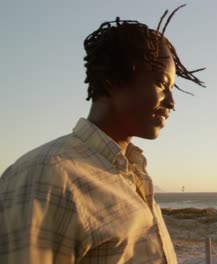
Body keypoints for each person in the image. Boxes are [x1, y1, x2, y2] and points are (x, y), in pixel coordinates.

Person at [0, 5, 204, 263]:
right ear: (112, 79)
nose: (172, 102)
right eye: (162, 84)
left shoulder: (132, 174)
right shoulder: (49, 175)